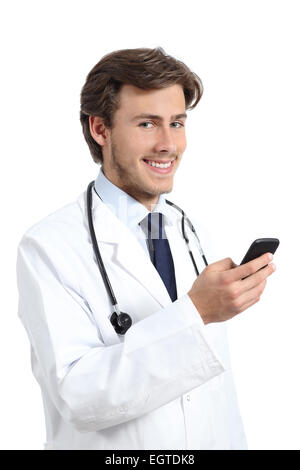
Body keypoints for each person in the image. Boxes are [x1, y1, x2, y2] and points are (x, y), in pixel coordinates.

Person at [16, 47, 275, 450]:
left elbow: (216, 398)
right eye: (147, 124)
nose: (168, 144)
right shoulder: (48, 247)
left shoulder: (193, 233)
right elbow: (78, 397)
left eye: (177, 122)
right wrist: (197, 312)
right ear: (100, 129)